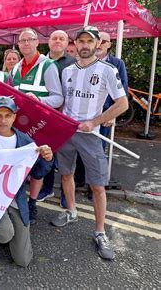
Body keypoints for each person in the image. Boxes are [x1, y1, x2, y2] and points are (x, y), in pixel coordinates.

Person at [50, 26, 128, 261]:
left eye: (89, 41)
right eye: (81, 41)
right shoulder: (67, 71)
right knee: (66, 174)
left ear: (97, 45)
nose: (84, 45)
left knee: (97, 185)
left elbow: (122, 103)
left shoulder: (107, 70)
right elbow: (64, 102)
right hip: (67, 132)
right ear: (76, 43)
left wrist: (95, 121)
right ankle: (71, 211)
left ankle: (100, 232)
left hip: (90, 135)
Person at [0, 96, 53, 267]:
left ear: (14, 117)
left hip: (13, 197)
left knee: (23, 260)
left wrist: (47, 159)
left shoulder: (26, 143)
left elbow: (38, 172)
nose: (3, 120)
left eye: (8, 115)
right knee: (5, 234)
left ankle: (1, 223)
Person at [8, 28, 63, 224]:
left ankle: (32, 202)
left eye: (29, 40)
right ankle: (16, 200)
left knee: (38, 167)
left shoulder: (48, 66)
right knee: (19, 165)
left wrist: (38, 99)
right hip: (18, 126)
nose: (25, 44)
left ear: (36, 42)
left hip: (39, 126)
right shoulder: (15, 68)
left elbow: (58, 98)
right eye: (21, 41)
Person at [37, 30, 76, 203]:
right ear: (48, 41)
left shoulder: (74, 63)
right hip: (45, 116)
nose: (57, 41)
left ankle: (66, 197)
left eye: (62, 38)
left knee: (66, 158)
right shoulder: (41, 62)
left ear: (67, 43)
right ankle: (47, 189)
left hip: (66, 116)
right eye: (54, 38)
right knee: (48, 154)